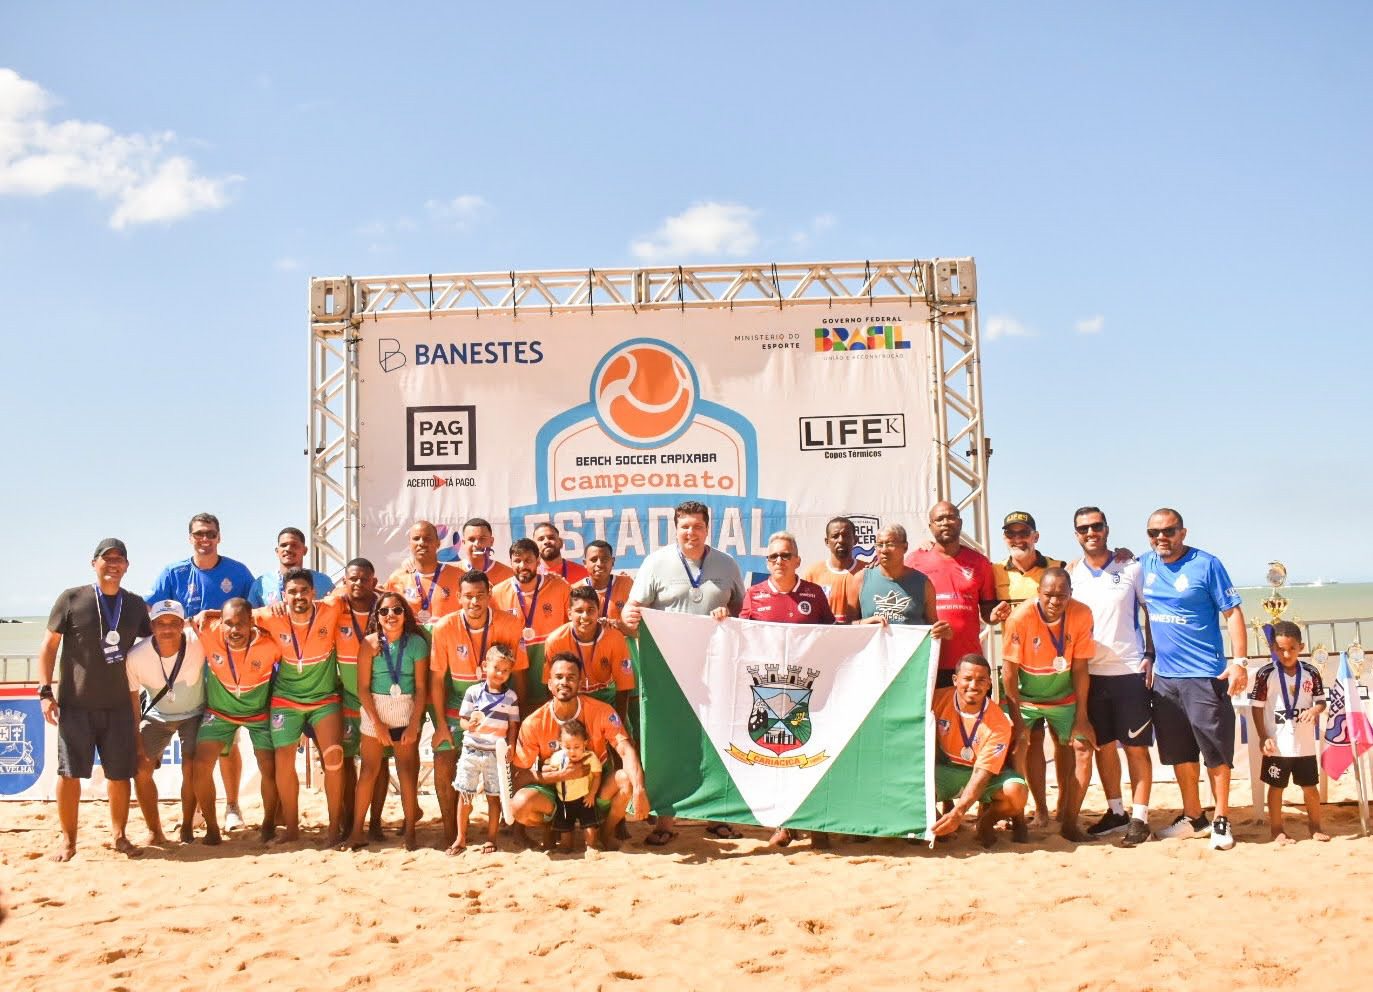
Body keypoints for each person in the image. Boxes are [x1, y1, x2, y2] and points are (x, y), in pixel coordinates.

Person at [622, 500, 745, 845]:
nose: (691, 533)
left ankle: (719, 816)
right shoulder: (656, 563)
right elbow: (632, 610)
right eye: (684, 527)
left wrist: (728, 615)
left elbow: (740, 609)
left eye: (698, 526)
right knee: (668, 742)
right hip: (667, 670)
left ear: (709, 529)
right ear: (675, 529)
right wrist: (627, 618)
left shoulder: (726, 564)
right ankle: (666, 818)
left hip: (716, 668)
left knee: (718, 739)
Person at [37, 538, 152, 861]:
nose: (113, 564)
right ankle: (68, 841)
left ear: (127, 566)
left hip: (118, 706)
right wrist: (45, 692)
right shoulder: (72, 598)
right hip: (76, 705)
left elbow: (157, 642)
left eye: (120, 559)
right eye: (107, 558)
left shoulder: (133, 605)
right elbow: (48, 647)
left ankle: (119, 836)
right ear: (94, 563)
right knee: (70, 774)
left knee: (120, 774)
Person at [1141, 508, 1248, 851]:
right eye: (1154, 532)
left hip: (1205, 675)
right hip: (1165, 680)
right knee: (1180, 753)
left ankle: (1220, 819)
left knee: (1215, 751)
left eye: (1168, 531)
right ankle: (1193, 816)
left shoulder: (1207, 564)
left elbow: (1232, 612)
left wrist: (1240, 662)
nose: (1161, 538)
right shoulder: (1144, 564)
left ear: (1182, 532)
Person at [148, 513, 254, 831]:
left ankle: (233, 806)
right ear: (189, 538)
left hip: (226, 671)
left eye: (209, 534)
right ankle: (193, 809)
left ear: (219, 537)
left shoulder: (237, 572)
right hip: (183, 672)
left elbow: (253, 616)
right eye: (198, 534)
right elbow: (151, 612)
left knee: (226, 744)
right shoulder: (173, 573)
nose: (204, 539)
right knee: (191, 749)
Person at [1066, 507, 1156, 847]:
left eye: (1096, 526)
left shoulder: (1130, 567)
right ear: (1076, 534)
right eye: (1083, 528)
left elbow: (1153, 613)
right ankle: (1116, 811)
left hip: (1129, 671)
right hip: (1090, 674)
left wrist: (1151, 654)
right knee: (1103, 747)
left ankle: (1140, 816)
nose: (1091, 532)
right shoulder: (1071, 573)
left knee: (1135, 748)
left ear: (1106, 528)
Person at [740, 531, 836, 848]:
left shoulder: (814, 594)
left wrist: (867, 628)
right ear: (767, 562)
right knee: (778, 757)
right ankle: (785, 824)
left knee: (810, 754)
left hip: (806, 690)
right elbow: (738, 637)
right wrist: (721, 619)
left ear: (797, 560)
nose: (779, 561)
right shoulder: (754, 595)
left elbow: (834, 638)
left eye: (785, 555)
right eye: (773, 557)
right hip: (768, 694)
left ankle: (817, 824)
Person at [429, 570, 530, 850]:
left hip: (499, 703)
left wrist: (517, 725)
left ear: (490, 596)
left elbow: (520, 674)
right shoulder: (444, 627)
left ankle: (514, 830)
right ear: (459, 597)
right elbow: (436, 680)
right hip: (458, 705)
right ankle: (452, 833)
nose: (474, 602)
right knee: (443, 761)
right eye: (469, 596)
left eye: (480, 595)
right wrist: (439, 725)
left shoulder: (509, 623)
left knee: (512, 764)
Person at [509, 653, 650, 849]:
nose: (564, 682)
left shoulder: (601, 711)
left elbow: (625, 750)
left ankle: (605, 832)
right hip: (555, 791)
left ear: (580, 683)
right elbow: (518, 777)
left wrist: (640, 788)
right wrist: (560, 775)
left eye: (571, 677)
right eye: (558, 677)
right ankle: (554, 825)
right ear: (549, 683)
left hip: (594, 788)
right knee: (520, 805)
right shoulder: (534, 723)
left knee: (626, 779)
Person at [1000, 568, 1096, 841]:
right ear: (1037, 593)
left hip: (1062, 694)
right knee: (1020, 746)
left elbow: (1080, 668)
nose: (1055, 601)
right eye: (1049, 595)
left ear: (1071, 595)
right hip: (1025, 696)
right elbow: (1009, 672)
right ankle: (1022, 819)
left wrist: (1082, 715)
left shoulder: (1082, 613)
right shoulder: (1020, 618)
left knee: (1083, 748)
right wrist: (1017, 720)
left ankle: (1069, 820)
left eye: (1061, 596)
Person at [250, 570, 346, 844]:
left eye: (303, 590)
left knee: (334, 759)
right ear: (283, 595)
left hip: (323, 699)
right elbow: (237, 615)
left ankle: (333, 829)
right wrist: (204, 615)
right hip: (286, 700)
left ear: (313, 593)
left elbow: (351, 590)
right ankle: (291, 829)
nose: (298, 596)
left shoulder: (330, 608)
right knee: (283, 762)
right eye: (292, 592)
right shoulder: (271, 615)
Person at [191, 597, 282, 844]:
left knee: (269, 767)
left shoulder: (270, 643)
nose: (234, 630)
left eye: (240, 624)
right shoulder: (208, 631)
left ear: (252, 622)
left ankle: (268, 824)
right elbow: (175, 624)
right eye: (228, 623)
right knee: (200, 764)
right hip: (220, 713)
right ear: (220, 623)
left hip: (259, 713)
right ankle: (212, 827)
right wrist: (208, 612)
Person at [345, 591, 429, 851]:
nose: (390, 615)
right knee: (369, 771)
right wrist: (378, 725)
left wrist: (415, 724)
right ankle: (357, 832)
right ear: (377, 616)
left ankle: (411, 832)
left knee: (406, 771)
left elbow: (421, 689)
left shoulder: (416, 643)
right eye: (384, 611)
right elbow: (362, 688)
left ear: (405, 614)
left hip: (405, 708)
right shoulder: (368, 644)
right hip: (376, 709)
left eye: (396, 610)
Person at [127, 599, 206, 845]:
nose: (167, 628)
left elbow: (232, 623)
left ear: (183, 624)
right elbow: (132, 699)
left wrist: (208, 613)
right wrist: (136, 738)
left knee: (191, 767)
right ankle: (155, 830)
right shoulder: (135, 656)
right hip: (157, 716)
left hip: (194, 713)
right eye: (161, 623)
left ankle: (187, 826)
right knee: (140, 769)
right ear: (152, 626)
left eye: (174, 622)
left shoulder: (199, 642)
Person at [905, 502, 1010, 687]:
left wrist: (993, 616)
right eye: (939, 519)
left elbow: (987, 612)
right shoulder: (914, 561)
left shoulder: (979, 562)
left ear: (960, 523)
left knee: (972, 717)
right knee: (932, 716)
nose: (945, 522)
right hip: (928, 661)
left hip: (968, 664)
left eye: (951, 517)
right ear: (930, 526)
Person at [931, 654, 1029, 846]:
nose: (973, 686)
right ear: (955, 679)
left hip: (980, 774)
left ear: (989, 684)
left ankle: (985, 823)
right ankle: (938, 823)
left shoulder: (999, 721)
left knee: (1016, 793)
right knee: (911, 786)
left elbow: (982, 773)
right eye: (967, 679)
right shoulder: (935, 699)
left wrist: (959, 812)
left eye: (981, 680)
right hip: (946, 771)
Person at [1250, 621, 1328, 844]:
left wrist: (1314, 709)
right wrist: (1263, 736)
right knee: (1276, 788)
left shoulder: (1311, 672)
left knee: (1310, 789)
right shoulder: (1266, 674)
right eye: (1280, 649)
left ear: (1301, 647)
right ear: (1274, 649)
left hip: (1304, 745)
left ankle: (1315, 827)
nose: (1286, 653)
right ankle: (1277, 830)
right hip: (1277, 745)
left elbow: (1321, 701)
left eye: (1291, 648)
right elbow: (1256, 706)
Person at [331, 558, 387, 842]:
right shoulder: (336, 609)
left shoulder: (387, 609)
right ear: (344, 582)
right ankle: (350, 819)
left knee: (380, 763)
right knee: (348, 760)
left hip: (381, 698)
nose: (358, 583)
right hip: (350, 697)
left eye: (364, 579)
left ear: (374, 582)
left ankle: (376, 823)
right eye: (352, 578)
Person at [452, 643, 520, 855]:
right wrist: (469, 725)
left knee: (494, 796)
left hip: (496, 754)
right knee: (464, 794)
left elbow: (513, 725)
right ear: (485, 666)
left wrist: (511, 744)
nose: (500, 673)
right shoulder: (473, 692)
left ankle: (491, 838)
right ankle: (460, 838)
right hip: (471, 750)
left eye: (506, 670)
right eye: (496, 668)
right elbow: (462, 720)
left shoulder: (511, 697)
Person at [541, 585, 635, 721]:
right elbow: (550, 686)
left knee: (624, 740)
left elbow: (623, 687)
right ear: (569, 614)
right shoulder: (555, 640)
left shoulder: (614, 637)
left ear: (598, 611)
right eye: (579, 611)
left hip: (606, 698)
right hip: (572, 698)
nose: (585, 616)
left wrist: (619, 724)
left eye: (590, 610)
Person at [856, 526, 952, 639]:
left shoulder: (923, 583)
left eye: (890, 544)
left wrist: (943, 632)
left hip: (911, 655)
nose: (884, 550)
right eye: (879, 545)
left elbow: (933, 627)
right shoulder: (861, 579)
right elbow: (845, 626)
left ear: (905, 547)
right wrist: (863, 624)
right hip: (873, 654)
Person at [384, 520, 465, 622]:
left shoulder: (459, 576)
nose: (421, 543)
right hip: (411, 638)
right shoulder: (397, 578)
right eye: (416, 538)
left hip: (448, 637)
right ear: (410, 544)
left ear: (438, 543)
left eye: (427, 538)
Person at [492, 538, 572, 641]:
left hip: (552, 655)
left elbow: (572, 624)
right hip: (516, 655)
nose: (523, 566)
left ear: (538, 561)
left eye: (528, 560)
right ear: (510, 563)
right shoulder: (497, 593)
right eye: (517, 561)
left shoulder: (560, 587)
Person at [546, 719, 603, 853]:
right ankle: (567, 845)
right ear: (560, 744)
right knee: (565, 832)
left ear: (585, 743)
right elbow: (550, 771)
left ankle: (591, 846)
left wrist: (592, 794)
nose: (572, 751)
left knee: (589, 828)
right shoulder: (557, 757)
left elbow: (597, 776)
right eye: (567, 747)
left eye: (577, 747)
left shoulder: (590, 757)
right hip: (564, 801)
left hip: (584, 799)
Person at [799, 516, 868, 622]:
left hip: (859, 637)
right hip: (825, 636)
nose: (841, 540)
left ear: (855, 540)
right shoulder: (812, 573)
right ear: (827, 541)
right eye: (835, 536)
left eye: (846, 536)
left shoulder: (868, 571)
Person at [247, 527, 335, 606]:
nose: (288, 549)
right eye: (283, 545)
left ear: (305, 550)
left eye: (294, 545)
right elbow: (250, 619)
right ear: (277, 551)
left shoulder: (323, 582)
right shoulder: (261, 584)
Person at [580, 539, 634, 630]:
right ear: (585, 563)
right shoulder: (575, 590)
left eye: (604, 559)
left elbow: (639, 629)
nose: (599, 564)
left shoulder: (627, 584)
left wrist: (617, 625)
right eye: (593, 560)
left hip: (621, 643)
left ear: (612, 561)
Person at [446, 517, 514, 584]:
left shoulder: (509, 575)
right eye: (471, 539)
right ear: (464, 543)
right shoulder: (450, 571)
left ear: (491, 541)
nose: (477, 544)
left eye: (482, 539)